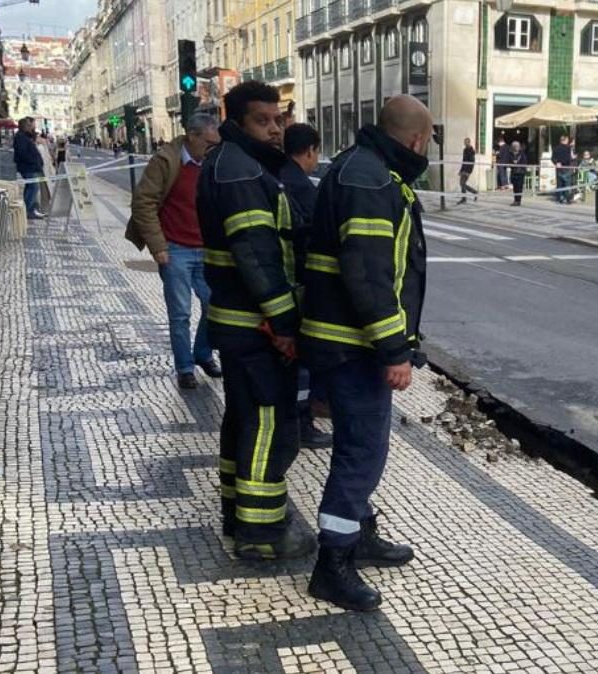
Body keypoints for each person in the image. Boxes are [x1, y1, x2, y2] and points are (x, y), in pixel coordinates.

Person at [299, 95, 430, 611]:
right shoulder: (372, 181)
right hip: (355, 346)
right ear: (417, 140)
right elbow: (370, 275)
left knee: (360, 449)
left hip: (339, 340)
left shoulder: (358, 168)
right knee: (361, 454)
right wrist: (394, 349)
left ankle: (362, 532)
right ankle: (333, 564)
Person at [196, 81, 313, 561]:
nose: (274, 129)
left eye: (278, 119)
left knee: (242, 418)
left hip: (238, 321)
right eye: (263, 121)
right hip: (255, 325)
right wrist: (285, 325)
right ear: (238, 120)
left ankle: (236, 509)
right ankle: (262, 532)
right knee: (270, 422)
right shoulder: (242, 173)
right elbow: (260, 257)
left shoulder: (230, 164)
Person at [128, 113, 222, 389]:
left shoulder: (211, 164)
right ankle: (185, 367)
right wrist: (158, 247)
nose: (212, 148)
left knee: (214, 305)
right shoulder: (166, 161)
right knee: (180, 312)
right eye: (208, 143)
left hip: (206, 249)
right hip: (175, 248)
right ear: (192, 136)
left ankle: (203, 353)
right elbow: (143, 202)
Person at [280, 122, 332, 450]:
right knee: (301, 362)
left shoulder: (275, 175)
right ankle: (301, 422)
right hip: (297, 284)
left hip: (281, 283)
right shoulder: (300, 186)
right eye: (317, 152)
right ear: (310, 151)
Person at [14, 118, 45, 219]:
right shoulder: (20, 137)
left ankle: (30, 209)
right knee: (33, 187)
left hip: (31, 166)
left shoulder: (25, 136)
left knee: (31, 187)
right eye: (30, 125)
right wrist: (34, 161)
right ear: (25, 126)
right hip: (28, 167)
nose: (32, 127)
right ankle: (28, 210)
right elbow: (23, 153)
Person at [552, 135, 573, 204]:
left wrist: (557, 163)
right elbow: (568, 159)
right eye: (567, 140)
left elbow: (552, 158)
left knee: (559, 184)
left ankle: (559, 198)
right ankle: (567, 199)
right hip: (566, 167)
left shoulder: (556, 148)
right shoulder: (568, 148)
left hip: (558, 168)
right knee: (567, 184)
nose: (568, 141)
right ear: (565, 140)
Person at [457, 137, 477, 204]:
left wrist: (469, 172)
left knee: (462, 183)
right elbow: (463, 161)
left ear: (469, 142)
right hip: (464, 169)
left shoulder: (471, 150)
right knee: (462, 184)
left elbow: (472, 162)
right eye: (464, 142)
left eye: (466, 142)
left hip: (468, 170)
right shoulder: (465, 150)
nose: (465, 143)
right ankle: (472, 193)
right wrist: (461, 170)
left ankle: (465, 197)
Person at [508, 141, 527, 206]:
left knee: (519, 187)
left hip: (520, 173)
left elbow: (524, 163)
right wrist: (512, 163)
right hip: (513, 172)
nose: (516, 147)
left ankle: (518, 201)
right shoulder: (510, 154)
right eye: (515, 146)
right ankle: (515, 200)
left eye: (517, 146)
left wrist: (517, 163)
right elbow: (508, 162)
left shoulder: (522, 154)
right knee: (515, 187)